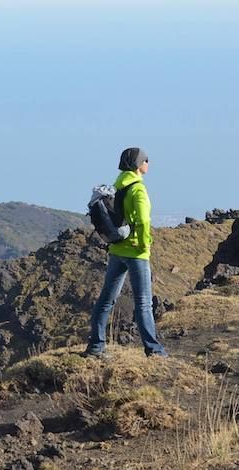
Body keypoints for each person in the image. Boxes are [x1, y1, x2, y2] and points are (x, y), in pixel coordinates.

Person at [84, 147, 168, 359]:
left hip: (116, 249)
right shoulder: (138, 188)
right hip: (135, 252)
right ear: (138, 164)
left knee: (106, 300)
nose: (148, 163)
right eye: (146, 160)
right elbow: (142, 220)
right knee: (144, 303)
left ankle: (96, 347)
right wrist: (143, 244)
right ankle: (154, 350)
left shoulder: (118, 184)